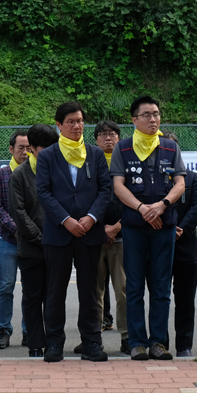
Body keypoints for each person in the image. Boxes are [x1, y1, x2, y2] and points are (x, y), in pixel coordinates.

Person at [36, 101, 113, 363]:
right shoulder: (47, 155)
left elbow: (105, 190)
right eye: (71, 121)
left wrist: (91, 218)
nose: (77, 126)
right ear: (59, 125)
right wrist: (66, 220)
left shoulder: (95, 154)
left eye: (80, 121)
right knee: (55, 290)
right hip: (58, 233)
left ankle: (92, 341)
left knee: (90, 290)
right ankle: (54, 343)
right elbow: (44, 193)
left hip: (90, 233)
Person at [110, 96, 186, 361]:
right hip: (134, 228)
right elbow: (118, 186)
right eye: (147, 115)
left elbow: (179, 184)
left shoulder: (169, 147)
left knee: (162, 287)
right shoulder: (123, 148)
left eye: (156, 114)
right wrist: (143, 209)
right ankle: (138, 342)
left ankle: (158, 342)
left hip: (164, 227)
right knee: (134, 286)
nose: (153, 119)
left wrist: (162, 205)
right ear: (134, 120)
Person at [9, 123, 59, 358]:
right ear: (33, 149)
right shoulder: (20, 174)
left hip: (58, 246)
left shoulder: (59, 171)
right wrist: (41, 238)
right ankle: (35, 343)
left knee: (54, 297)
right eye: (46, 148)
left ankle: (54, 341)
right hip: (31, 247)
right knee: (32, 297)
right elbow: (18, 212)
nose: (52, 152)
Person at [163, 131, 197, 358]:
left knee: (185, 301)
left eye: (173, 148)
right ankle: (161, 343)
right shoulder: (152, 176)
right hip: (158, 245)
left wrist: (180, 228)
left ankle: (184, 345)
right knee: (160, 298)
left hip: (185, 246)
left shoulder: (189, 177)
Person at [0, 130, 28, 350]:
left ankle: (28, 329)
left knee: (31, 288)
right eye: (20, 147)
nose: (25, 152)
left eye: (28, 147)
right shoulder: (1, 175)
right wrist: (16, 229)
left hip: (32, 241)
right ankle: (3, 330)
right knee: (5, 286)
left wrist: (29, 231)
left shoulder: (37, 172)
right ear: (11, 149)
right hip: (7, 240)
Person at [93, 120, 128, 354]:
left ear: (119, 138)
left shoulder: (127, 161)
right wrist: (99, 228)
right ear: (95, 139)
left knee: (124, 289)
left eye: (112, 134)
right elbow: (83, 199)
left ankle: (127, 337)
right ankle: (93, 337)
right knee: (93, 290)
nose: (108, 138)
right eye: (103, 134)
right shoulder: (89, 162)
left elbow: (137, 200)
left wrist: (117, 226)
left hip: (123, 236)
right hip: (94, 236)